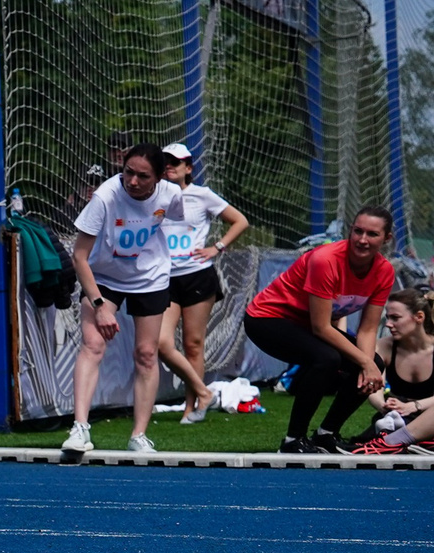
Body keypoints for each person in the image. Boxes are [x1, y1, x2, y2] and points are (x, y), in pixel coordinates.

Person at [241, 206, 396, 454]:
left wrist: (368, 366)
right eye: (358, 231)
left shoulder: (384, 272)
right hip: (267, 319)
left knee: (374, 362)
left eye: (372, 234)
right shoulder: (326, 259)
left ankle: (326, 434)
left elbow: (367, 330)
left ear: (386, 238)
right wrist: (365, 363)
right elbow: (321, 327)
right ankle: (293, 440)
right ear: (350, 231)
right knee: (327, 358)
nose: (362, 239)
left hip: (305, 325)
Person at [63, 144, 185, 455]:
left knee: (146, 353)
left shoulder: (171, 195)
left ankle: (138, 436)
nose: (132, 181)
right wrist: (100, 306)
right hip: (104, 277)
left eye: (143, 176)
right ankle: (80, 428)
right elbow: (79, 256)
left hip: (150, 278)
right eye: (128, 172)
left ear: (159, 177)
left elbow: (171, 218)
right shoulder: (105, 197)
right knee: (93, 344)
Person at [152, 142, 247, 424]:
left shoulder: (202, 195)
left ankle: (191, 407)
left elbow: (240, 221)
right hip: (164, 277)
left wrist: (217, 247)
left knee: (193, 344)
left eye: (175, 162)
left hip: (197, 274)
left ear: (188, 168)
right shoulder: (153, 195)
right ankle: (205, 392)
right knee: (162, 343)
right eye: (165, 162)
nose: (169, 167)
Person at [352, 291, 434, 455]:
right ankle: (398, 439)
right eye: (388, 317)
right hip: (396, 417)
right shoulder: (384, 347)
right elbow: (374, 385)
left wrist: (413, 406)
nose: (388, 324)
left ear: (419, 317)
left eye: (395, 318)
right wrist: (383, 405)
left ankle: (398, 441)